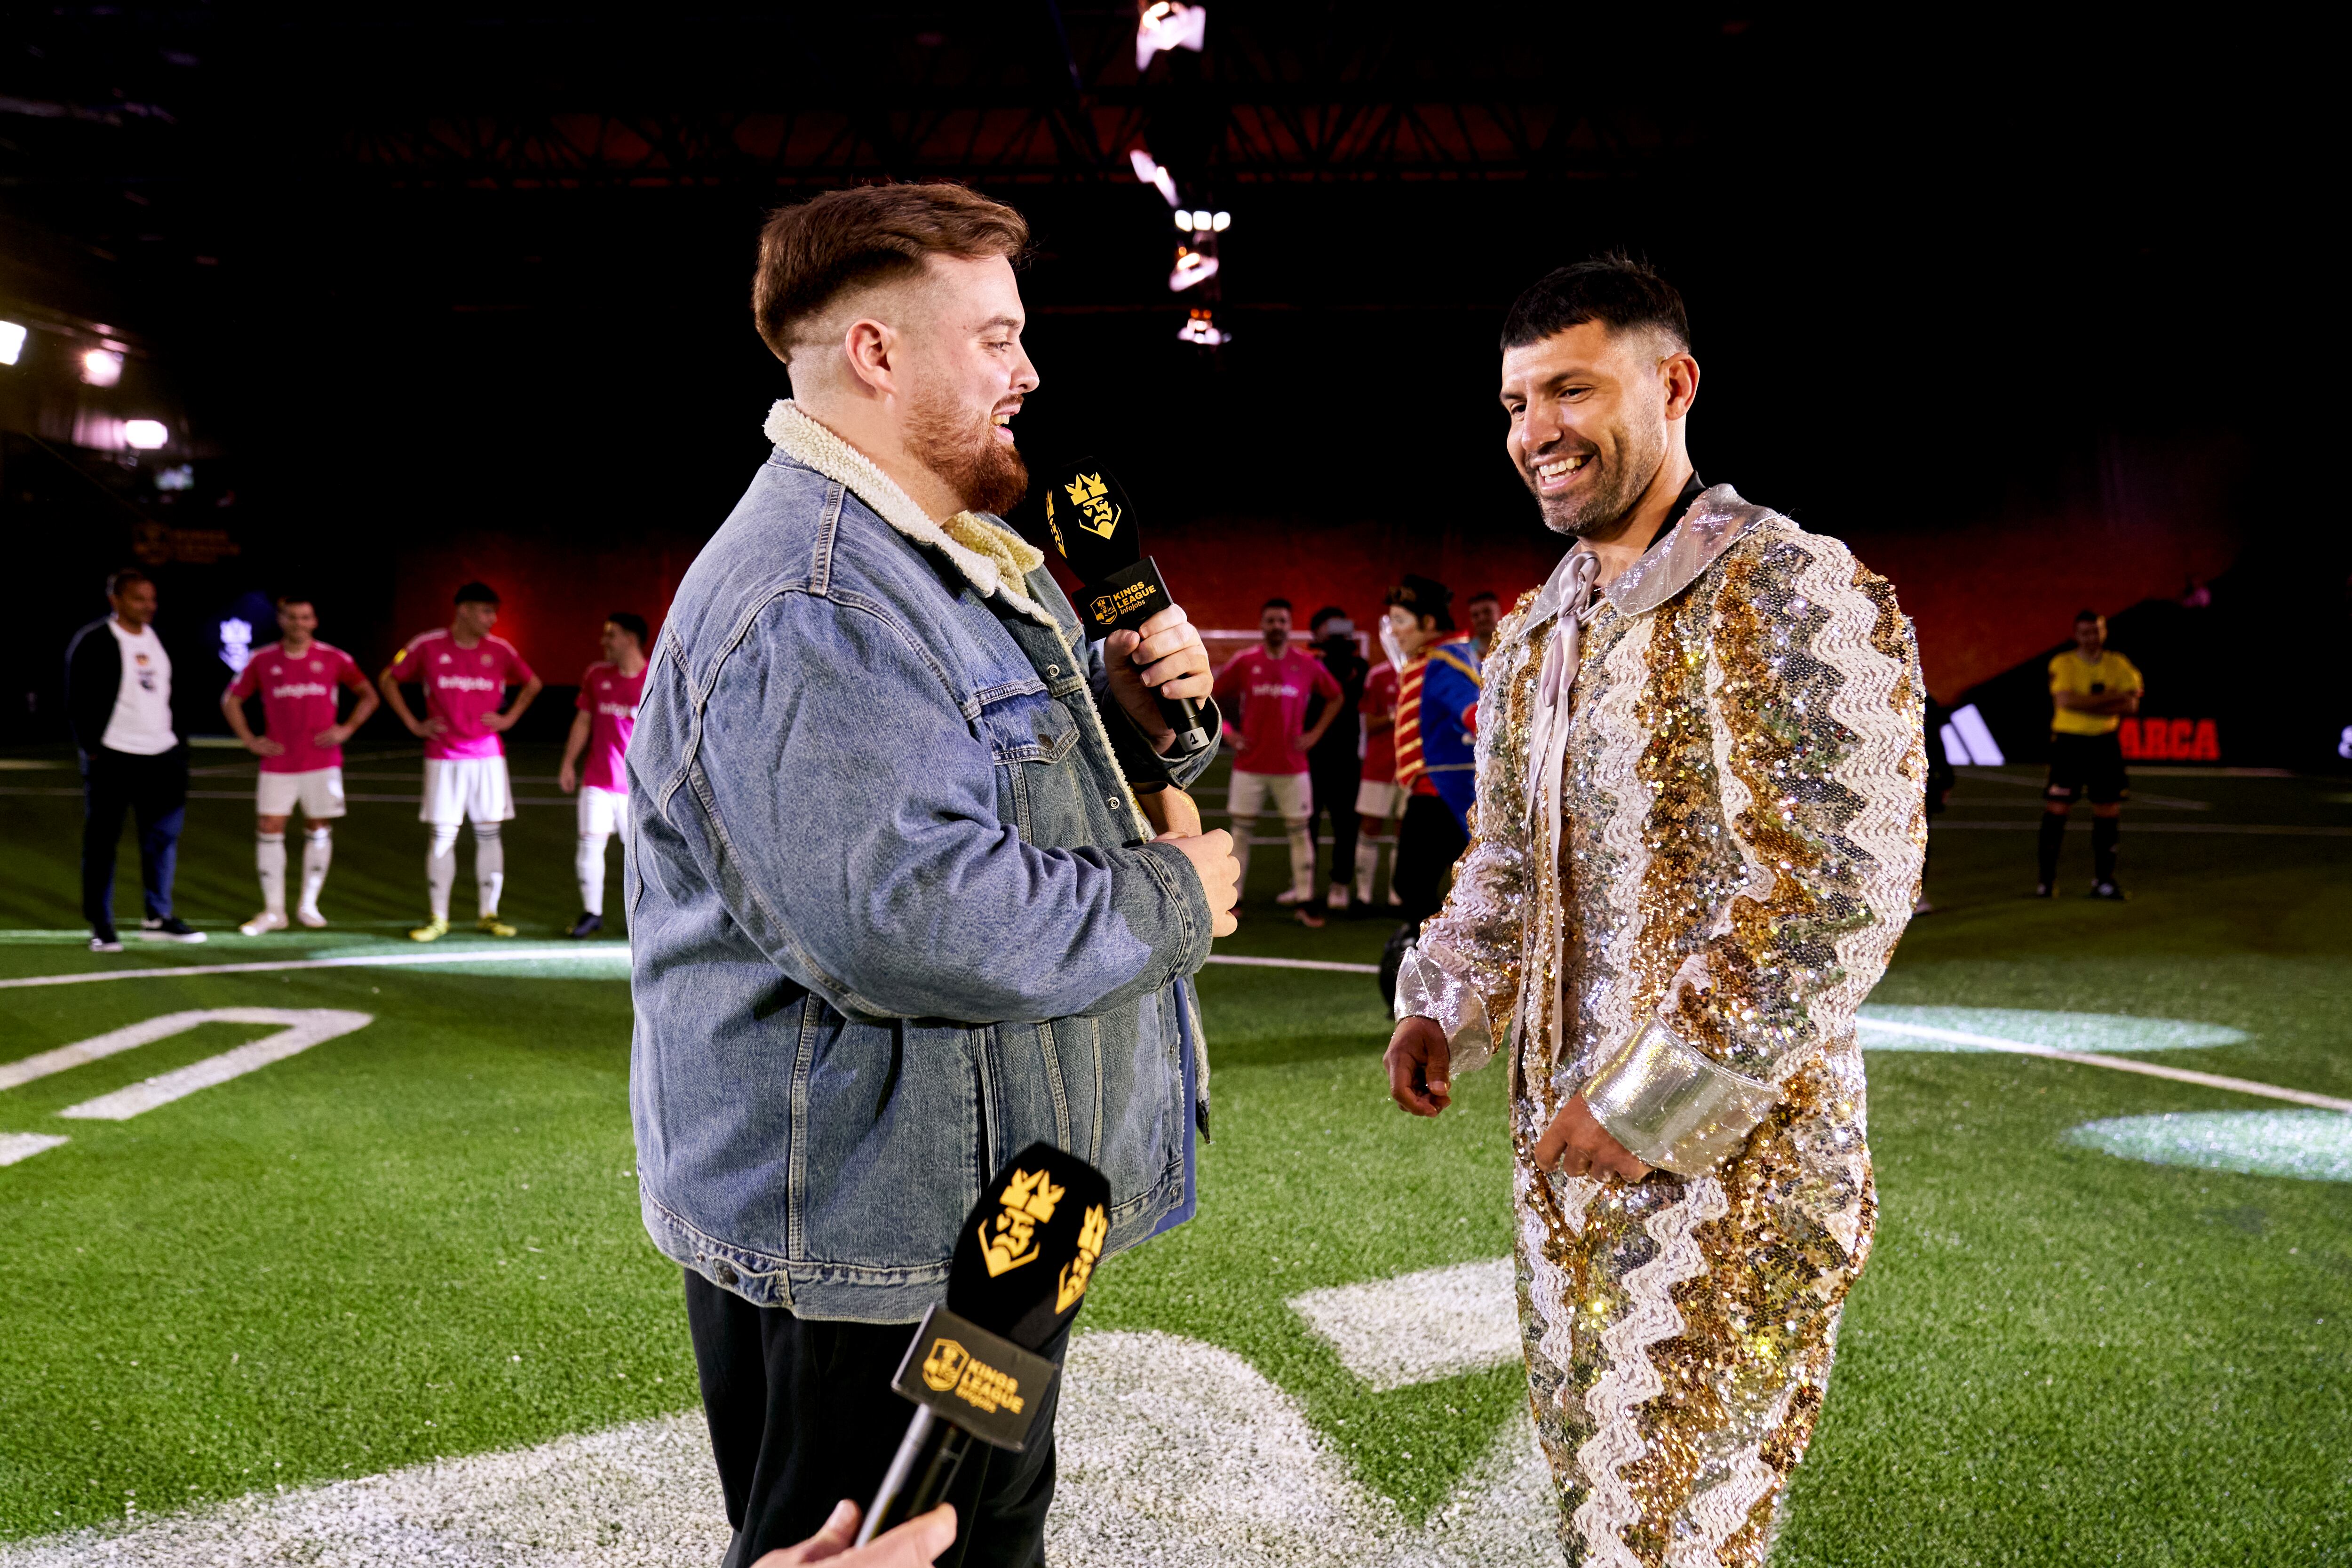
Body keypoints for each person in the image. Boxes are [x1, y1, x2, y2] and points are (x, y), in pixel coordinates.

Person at [627, 181, 1238, 1568]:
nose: (1027, 373)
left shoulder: (943, 553)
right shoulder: (816, 593)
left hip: (986, 1226)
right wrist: (1173, 902)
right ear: (877, 354)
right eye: (994, 338)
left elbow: (982, 787)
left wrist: (1129, 712)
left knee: (979, 1538)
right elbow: (909, 919)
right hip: (872, 1252)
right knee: (881, 1548)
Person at [1383, 255, 1925, 1563]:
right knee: (1601, 1520)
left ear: (1674, 384)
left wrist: (1648, 1100)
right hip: (1559, 1166)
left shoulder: (1782, 584)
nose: (1536, 432)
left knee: (1664, 1536)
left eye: (1572, 389)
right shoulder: (1531, 634)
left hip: (1733, 1172)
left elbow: (1840, 881)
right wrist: (1441, 999)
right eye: (1516, 403)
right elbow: (1506, 860)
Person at [378, 581, 542, 941]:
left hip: (487, 757)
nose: (493, 619)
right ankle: (439, 917)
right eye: (486, 611)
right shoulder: (427, 645)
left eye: (494, 611)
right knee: (442, 837)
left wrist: (509, 719)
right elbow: (389, 678)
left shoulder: (499, 650)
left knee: (489, 835)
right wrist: (412, 723)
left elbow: (533, 683)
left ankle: (489, 914)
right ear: (463, 610)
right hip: (443, 757)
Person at [220, 594, 379, 934]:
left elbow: (369, 694)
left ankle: (309, 905)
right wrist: (250, 739)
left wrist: (346, 729)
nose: (298, 623)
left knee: (318, 827)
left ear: (314, 621)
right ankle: (274, 911)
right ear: (281, 620)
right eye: (292, 617)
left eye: (305, 617)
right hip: (279, 762)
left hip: (322, 761)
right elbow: (231, 700)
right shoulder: (262, 659)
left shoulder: (334, 658)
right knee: (269, 826)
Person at [64, 568, 205, 951]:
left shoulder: (164, 639)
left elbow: (177, 694)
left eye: (152, 599)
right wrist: (93, 748)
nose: (148, 606)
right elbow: (77, 701)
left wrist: (178, 746)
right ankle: (101, 923)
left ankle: (158, 916)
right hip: (113, 757)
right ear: (116, 600)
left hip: (162, 757)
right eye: (139, 598)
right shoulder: (94, 641)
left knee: (162, 840)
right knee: (102, 844)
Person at [1212, 597, 1342, 926]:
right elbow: (1209, 695)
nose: (1276, 627)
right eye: (1271, 621)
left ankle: (1305, 899)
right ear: (1262, 624)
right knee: (1239, 834)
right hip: (1250, 765)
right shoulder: (1245, 662)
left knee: (1300, 834)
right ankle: (1233, 899)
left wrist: (1315, 734)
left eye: (1282, 621)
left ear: (1290, 625)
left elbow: (1336, 695)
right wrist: (1228, 732)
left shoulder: (1307, 664)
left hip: (1293, 766)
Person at [1383, 574, 1480, 933]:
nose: (1395, 632)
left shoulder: (1443, 663)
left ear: (1429, 622)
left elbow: (1473, 712)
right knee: (1417, 884)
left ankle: (1432, 951)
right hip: (1436, 790)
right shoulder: (1438, 658)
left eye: (1401, 621)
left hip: (1442, 793)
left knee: (1412, 883)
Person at [556, 610, 649, 938]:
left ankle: (646, 919)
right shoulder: (596, 675)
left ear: (630, 639)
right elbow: (583, 721)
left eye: (611, 634)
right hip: (597, 780)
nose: (604, 641)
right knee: (590, 848)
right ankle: (592, 913)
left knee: (642, 856)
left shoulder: (655, 676)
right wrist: (569, 762)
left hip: (638, 787)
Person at [2039, 609, 2141, 899]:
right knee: (2057, 808)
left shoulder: (2118, 663)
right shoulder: (2064, 662)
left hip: (2104, 743)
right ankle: (2046, 883)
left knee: (2108, 809)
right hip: (2069, 744)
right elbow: (2066, 701)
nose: (2091, 638)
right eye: (2085, 633)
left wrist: (2087, 703)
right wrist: (2112, 698)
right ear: (2075, 635)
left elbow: (2132, 706)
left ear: (2104, 632)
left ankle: (2104, 881)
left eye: (2096, 631)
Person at [1303, 606, 1370, 915]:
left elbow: (1353, 691)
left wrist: (1343, 652)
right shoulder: (1310, 665)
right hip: (1313, 755)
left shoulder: (1359, 665)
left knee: (1346, 823)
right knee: (1309, 821)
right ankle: (1306, 884)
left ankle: (1340, 883)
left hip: (1346, 756)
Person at [1352, 653, 1403, 909]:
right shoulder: (1379, 675)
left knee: (1403, 831)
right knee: (1370, 827)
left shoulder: (1429, 669)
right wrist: (1396, 717)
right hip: (1379, 765)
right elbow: (1369, 724)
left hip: (1412, 766)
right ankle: (1364, 896)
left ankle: (1397, 896)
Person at [1465, 588, 1502, 659]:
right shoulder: (1465, 653)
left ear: (1500, 614)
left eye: (1487, 612)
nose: (1482, 619)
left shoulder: (1516, 645)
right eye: (1475, 615)